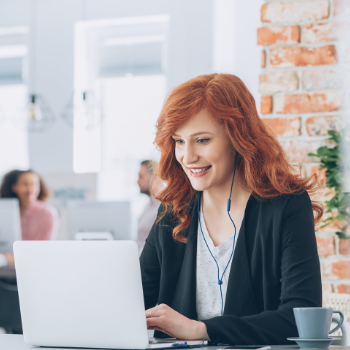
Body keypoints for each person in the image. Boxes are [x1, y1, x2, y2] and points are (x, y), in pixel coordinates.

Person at [140, 74, 323, 345]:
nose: (187, 157)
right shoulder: (173, 211)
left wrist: (202, 329)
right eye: (179, 141)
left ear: (238, 137)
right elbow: (132, 300)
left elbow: (299, 316)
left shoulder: (286, 206)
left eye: (202, 140)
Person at [0, 169, 59, 241]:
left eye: (34, 184)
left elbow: (46, 245)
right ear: (14, 187)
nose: (30, 189)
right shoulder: (6, 213)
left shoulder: (48, 213)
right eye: (25, 184)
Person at [137, 160, 161, 255]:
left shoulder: (164, 206)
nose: (138, 181)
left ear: (154, 178)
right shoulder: (149, 205)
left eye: (141, 176)